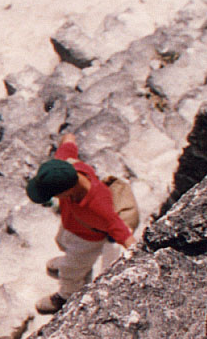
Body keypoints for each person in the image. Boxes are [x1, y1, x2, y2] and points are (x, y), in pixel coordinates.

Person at [25, 132, 135, 314]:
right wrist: (69, 137)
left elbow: (119, 229)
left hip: (88, 240)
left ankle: (66, 295)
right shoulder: (66, 167)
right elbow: (68, 143)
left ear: (67, 190)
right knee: (61, 241)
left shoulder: (98, 205)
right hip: (73, 225)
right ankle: (70, 263)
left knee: (70, 272)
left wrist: (137, 252)